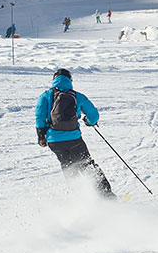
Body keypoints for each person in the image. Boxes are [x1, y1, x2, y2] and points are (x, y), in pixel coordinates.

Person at [35, 68, 114, 196]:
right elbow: (93, 115)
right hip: (74, 139)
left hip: (54, 141)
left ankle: (79, 200)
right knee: (88, 165)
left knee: (68, 167)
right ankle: (107, 196)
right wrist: (89, 121)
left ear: (54, 80)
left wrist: (41, 137)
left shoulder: (46, 95)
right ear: (70, 80)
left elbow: (39, 117)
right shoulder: (77, 96)